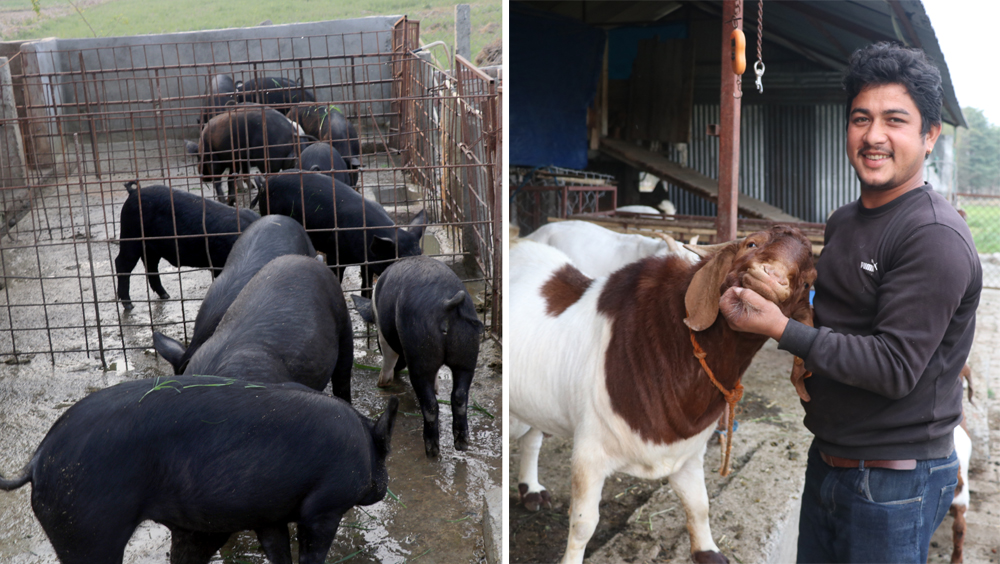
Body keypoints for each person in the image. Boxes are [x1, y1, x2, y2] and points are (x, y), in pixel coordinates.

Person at [719, 42, 982, 564]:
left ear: (930, 135)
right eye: (861, 118)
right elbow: (834, 312)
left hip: (894, 482)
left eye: (895, 120)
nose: (873, 135)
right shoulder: (844, 221)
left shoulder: (932, 236)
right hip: (830, 459)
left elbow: (893, 367)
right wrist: (794, 324)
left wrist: (781, 330)